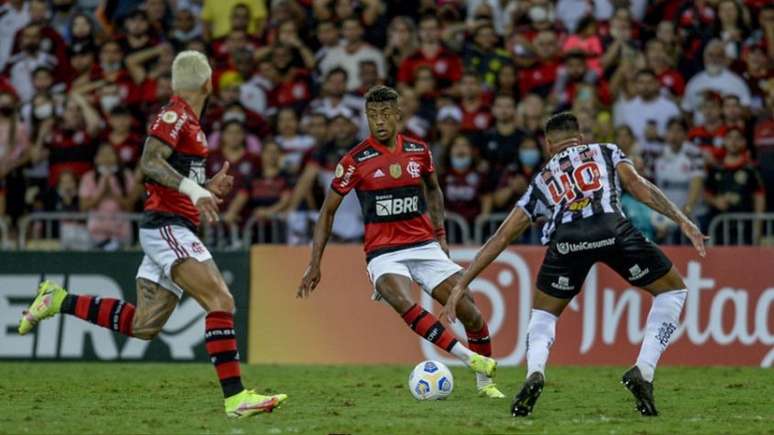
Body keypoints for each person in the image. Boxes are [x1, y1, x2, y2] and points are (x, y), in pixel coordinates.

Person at [18, 51, 287, 418]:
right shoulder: (174, 115)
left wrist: (205, 185)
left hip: (171, 225)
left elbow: (170, 175)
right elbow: (149, 161)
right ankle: (236, 398)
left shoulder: (189, 122)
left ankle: (58, 299)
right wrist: (195, 192)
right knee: (221, 300)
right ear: (208, 84)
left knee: (143, 325)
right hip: (166, 227)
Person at [441, 112, 707, 417]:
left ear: (547, 144)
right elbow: (638, 186)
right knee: (672, 291)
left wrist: (462, 282)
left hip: (567, 240)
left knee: (543, 315)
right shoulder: (606, 151)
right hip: (613, 230)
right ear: (580, 138)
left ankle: (535, 373)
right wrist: (683, 220)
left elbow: (503, 236)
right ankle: (643, 371)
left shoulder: (543, 178)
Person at [297, 85, 504, 399]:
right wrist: (315, 263)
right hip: (384, 252)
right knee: (401, 299)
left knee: (471, 312)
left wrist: (441, 236)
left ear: (398, 115)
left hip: (424, 246)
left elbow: (433, 190)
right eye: (372, 115)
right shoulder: (355, 160)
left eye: (384, 114)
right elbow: (327, 212)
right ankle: (468, 357)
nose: (378, 121)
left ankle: (485, 385)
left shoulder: (418, 150)